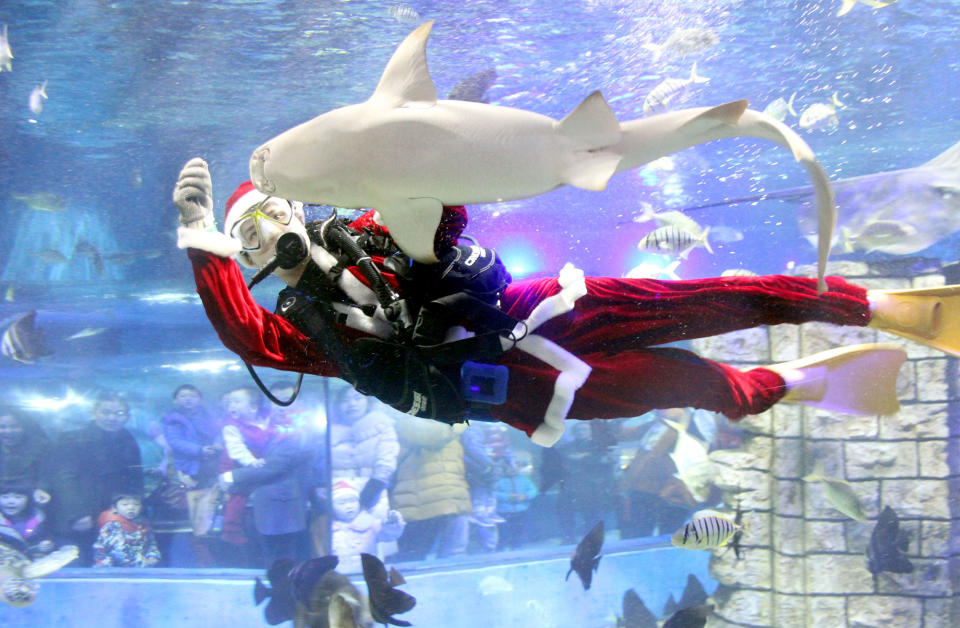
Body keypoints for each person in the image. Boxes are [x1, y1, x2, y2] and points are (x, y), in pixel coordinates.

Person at [172, 157, 960, 448]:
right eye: (245, 238)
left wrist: (426, 188)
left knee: (714, 299)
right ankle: (791, 385)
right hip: (522, 392)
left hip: (546, 311)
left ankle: (878, 304)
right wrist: (198, 238)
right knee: (687, 384)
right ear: (241, 259)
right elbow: (247, 338)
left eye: (268, 215)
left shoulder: (365, 226)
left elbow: (446, 218)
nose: (264, 236)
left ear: (295, 208)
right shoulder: (300, 331)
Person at [218, 386, 313, 567]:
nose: (279, 404)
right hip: (258, 505)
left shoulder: (299, 429)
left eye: (286, 398)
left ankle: (283, 593)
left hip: (281, 507)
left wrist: (233, 476)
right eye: (273, 399)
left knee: (283, 562)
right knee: (262, 559)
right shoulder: (267, 424)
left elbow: (277, 464)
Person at [47, 391, 144, 566]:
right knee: (77, 566)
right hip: (79, 518)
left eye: (119, 413)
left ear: (128, 417)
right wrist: (77, 514)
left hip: (114, 517)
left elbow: (135, 478)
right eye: (106, 412)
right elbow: (63, 479)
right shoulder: (72, 439)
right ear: (94, 413)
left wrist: (134, 509)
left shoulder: (127, 439)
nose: (112, 418)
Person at [391, 419, 472, 561]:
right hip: (422, 502)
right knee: (415, 557)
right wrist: (464, 419)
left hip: (452, 498)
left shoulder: (446, 419)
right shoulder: (406, 417)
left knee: (454, 557)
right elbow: (435, 435)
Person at [329, 479, 405, 573]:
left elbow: (389, 535)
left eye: (352, 501)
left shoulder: (369, 522)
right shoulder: (327, 529)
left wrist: (392, 524)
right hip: (339, 576)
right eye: (342, 503)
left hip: (370, 573)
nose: (349, 506)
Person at [92, 493, 161, 567]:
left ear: (142, 508)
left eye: (136, 504)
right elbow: (100, 547)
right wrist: (103, 563)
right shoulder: (111, 526)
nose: (131, 507)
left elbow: (151, 545)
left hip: (140, 567)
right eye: (125, 504)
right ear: (114, 508)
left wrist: (152, 557)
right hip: (113, 569)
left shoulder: (144, 527)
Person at [0, 409, 51, 504]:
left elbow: (47, 475)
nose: (8, 431)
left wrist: (42, 489)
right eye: (2, 427)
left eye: (14, 426)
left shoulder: (41, 449)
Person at [0, 482, 55, 558]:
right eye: (5, 497)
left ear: (28, 500)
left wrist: (47, 544)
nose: (10, 502)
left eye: (18, 497)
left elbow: (45, 536)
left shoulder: (38, 518)